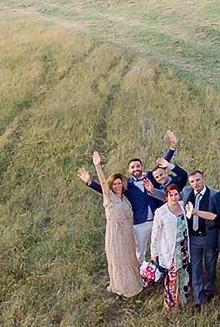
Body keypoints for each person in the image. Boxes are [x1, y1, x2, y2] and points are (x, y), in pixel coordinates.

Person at [81, 130, 178, 263]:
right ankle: (141, 277)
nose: (136, 168)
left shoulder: (151, 176)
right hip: (140, 223)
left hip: (157, 219)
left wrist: (172, 146)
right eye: (132, 167)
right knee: (141, 252)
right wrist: (89, 182)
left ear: (142, 166)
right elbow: (106, 191)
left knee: (161, 248)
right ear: (129, 170)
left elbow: (163, 163)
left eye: (138, 166)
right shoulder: (126, 184)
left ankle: (159, 272)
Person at [80, 151, 142, 298]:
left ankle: (133, 285)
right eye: (114, 184)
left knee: (129, 258)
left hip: (127, 233)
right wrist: (98, 167)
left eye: (119, 183)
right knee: (118, 260)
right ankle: (120, 289)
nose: (117, 186)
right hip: (115, 234)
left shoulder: (125, 199)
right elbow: (102, 183)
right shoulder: (110, 198)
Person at [181, 169, 220, 310]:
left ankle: (209, 290)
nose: (195, 183)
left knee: (210, 267)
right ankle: (199, 299)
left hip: (209, 237)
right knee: (196, 269)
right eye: (192, 181)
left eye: (198, 180)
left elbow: (219, 218)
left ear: (203, 179)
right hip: (193, 239)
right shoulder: (186, 192)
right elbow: (169, 197)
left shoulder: (215, 195)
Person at [151, 183, 190, 308]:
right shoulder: (161, 212)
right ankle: (170, 302)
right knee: (172, 276)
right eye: (170, 195)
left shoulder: (183, 206)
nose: (174, 198)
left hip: (183, 248)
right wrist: (154, 252)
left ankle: (182, 299)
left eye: (176, 194)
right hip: (170, 250)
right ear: (166, 196)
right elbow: (155, 233)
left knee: (183, 274)